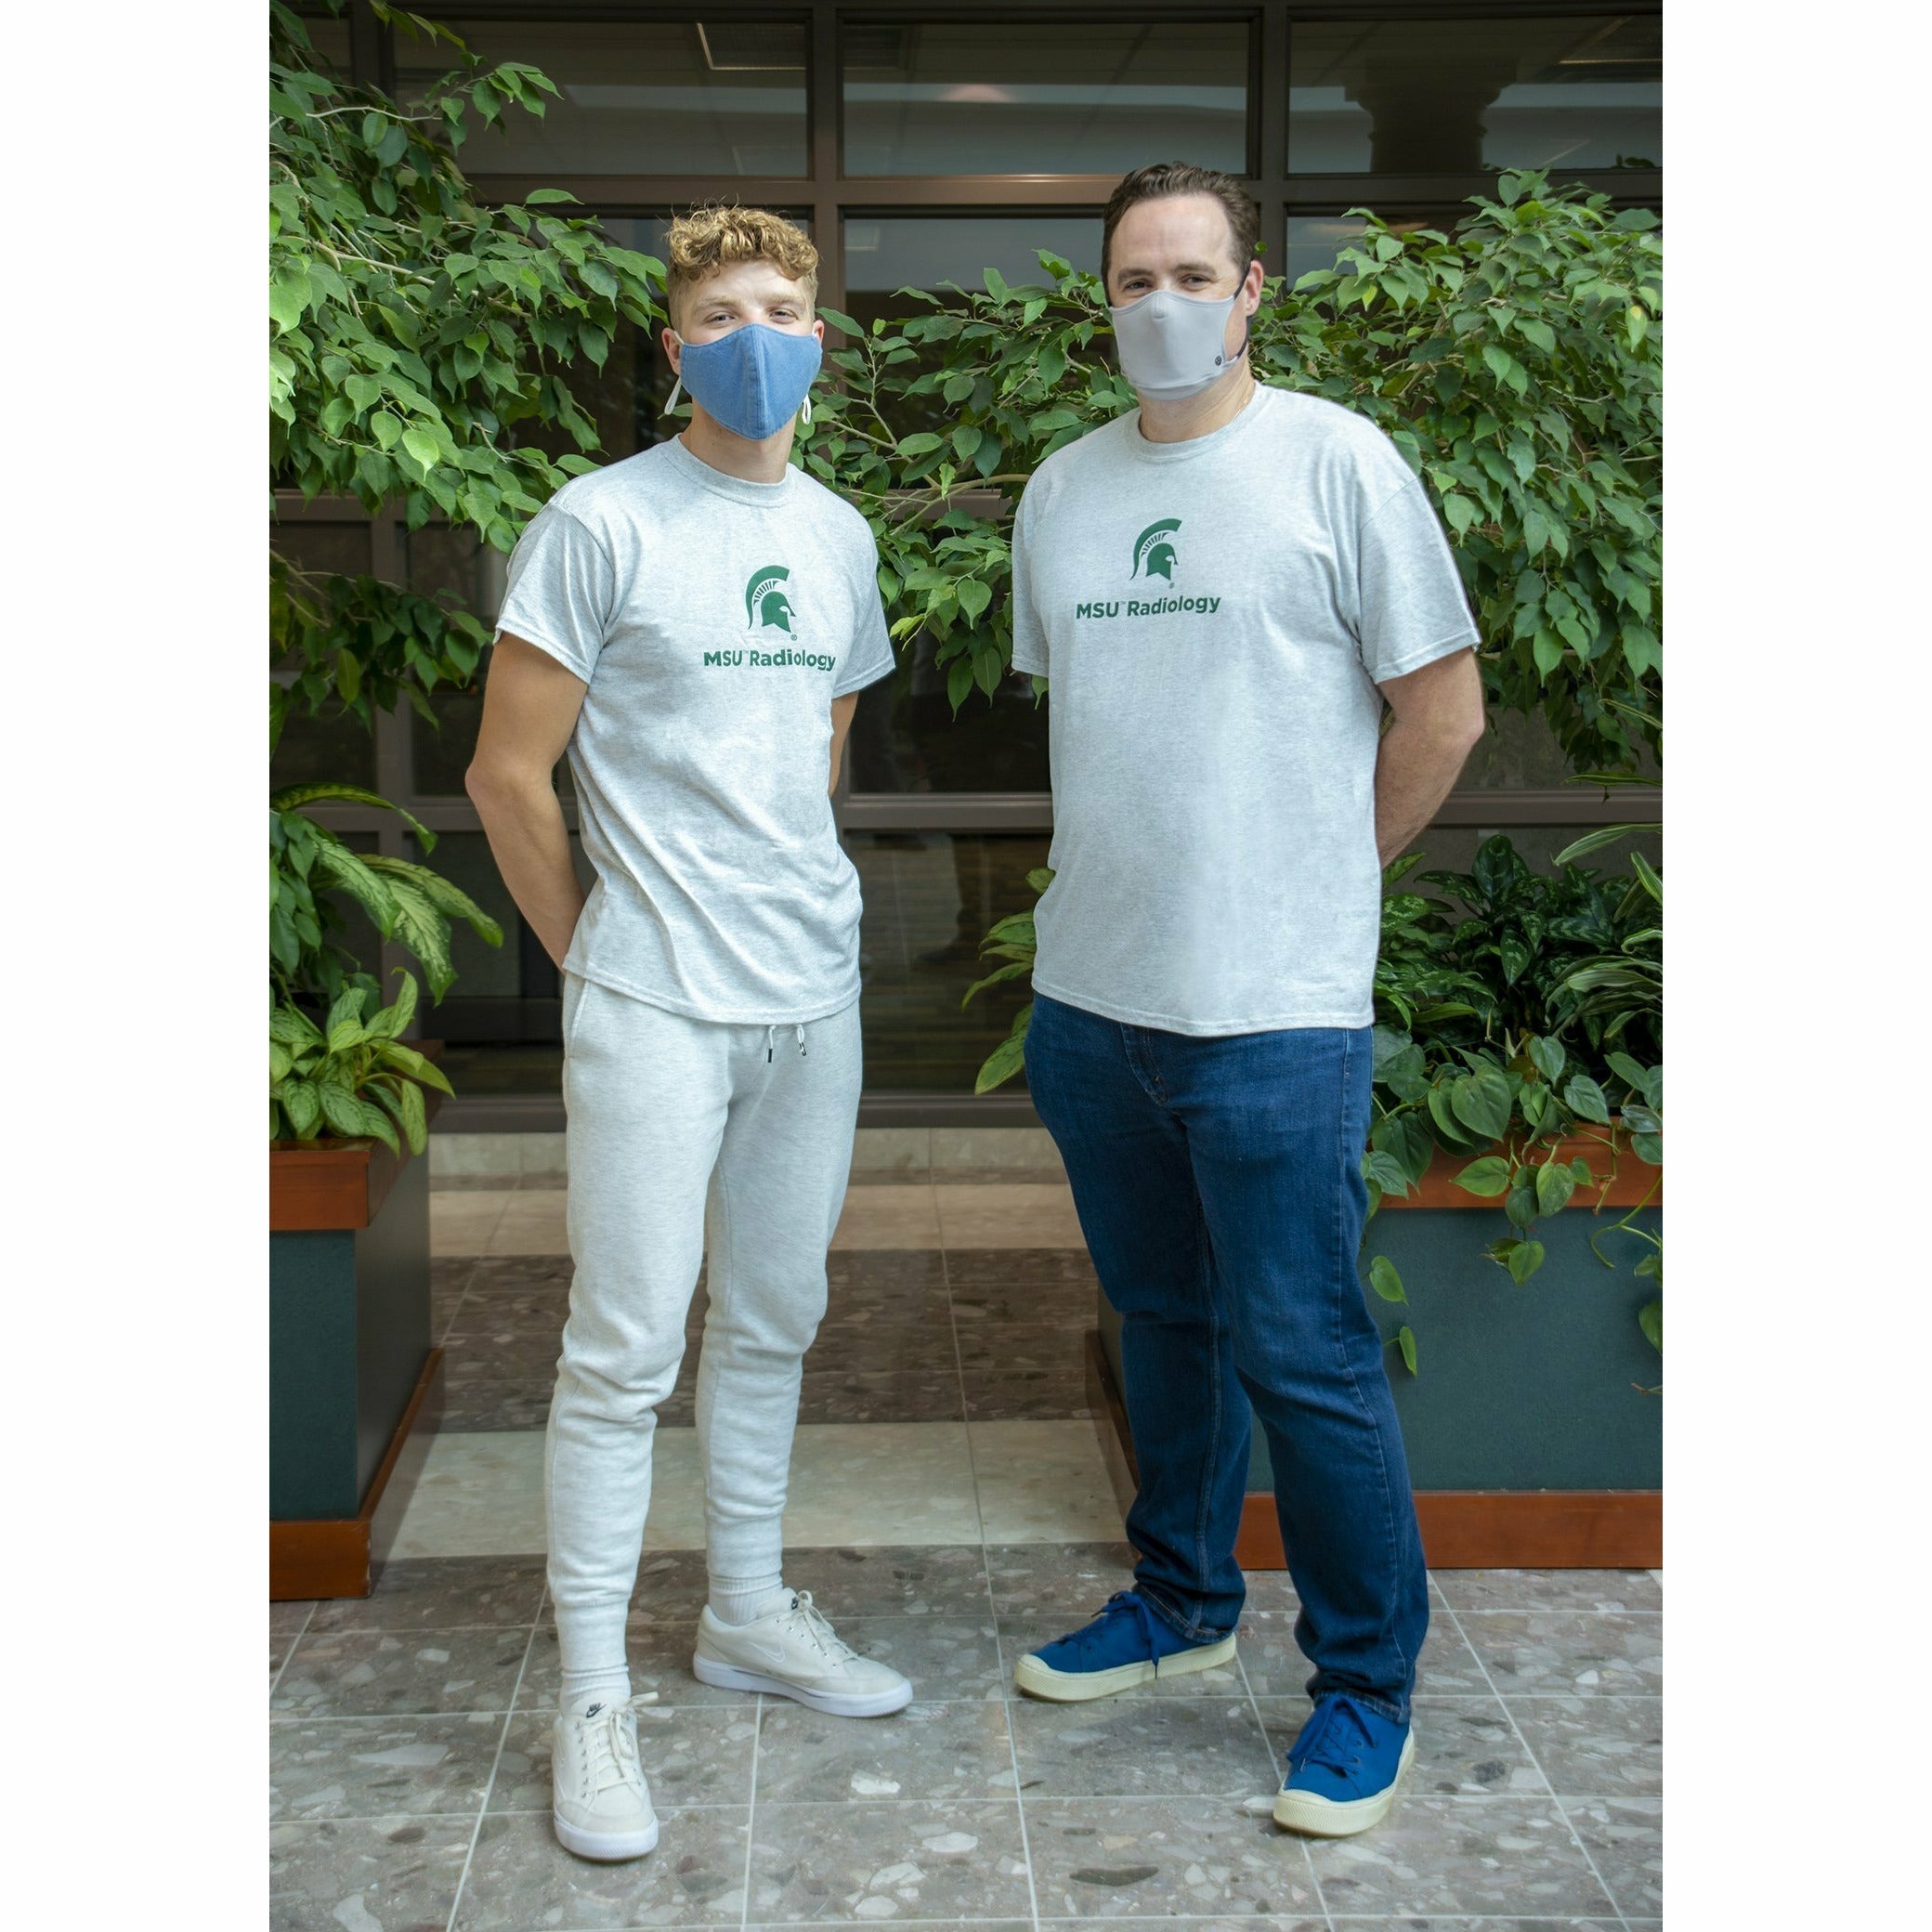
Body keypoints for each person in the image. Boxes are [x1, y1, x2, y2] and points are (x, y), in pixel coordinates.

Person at [1007, 162, 1486, 1840]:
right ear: (1105, 296)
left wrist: (1317, 883)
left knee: (1308, 1350)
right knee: (1167, 1325)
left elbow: (1442, 709)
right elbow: (1114, 725)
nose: (1162, 300)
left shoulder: (1336, 461)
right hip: (1093, 1002)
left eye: (1192, 271)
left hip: (1277, 1006)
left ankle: (1364, 1686)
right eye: (1135, 275)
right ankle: (1181, 1606)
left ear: (1253, 287)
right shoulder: (1063, 490)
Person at [466, 206, 912, 1867]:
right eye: (721, 311)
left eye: (781, 307)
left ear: (819, 333)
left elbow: (817, 746)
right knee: (623, 1348)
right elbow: (508, 776)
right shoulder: (597, 523)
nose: (754, 332)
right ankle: (591, 1697)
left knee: (778, 1316)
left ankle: (745, 1611)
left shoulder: (844, 533)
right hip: (655, 1000)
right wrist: (599, 959)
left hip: (814, 995)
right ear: (674, 348)